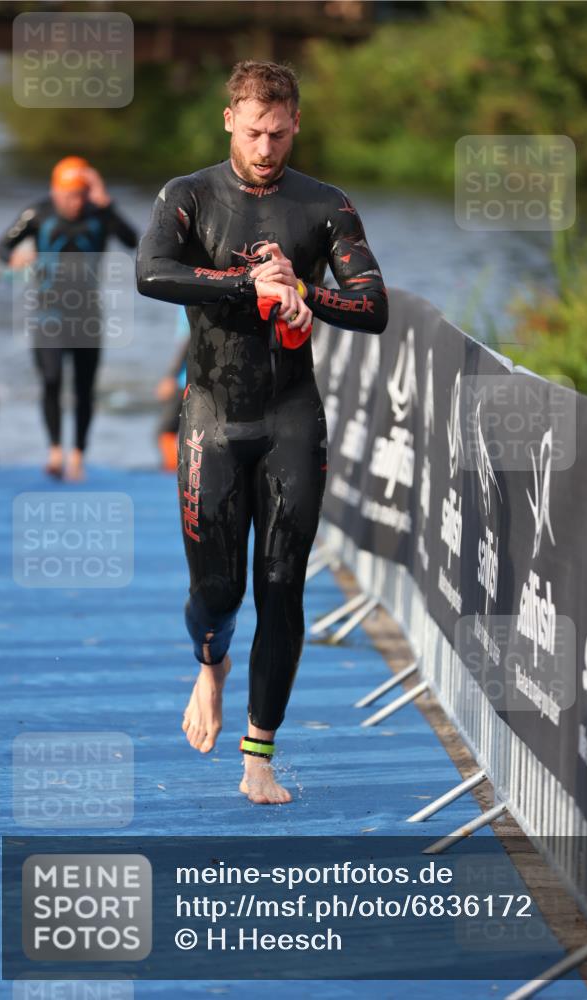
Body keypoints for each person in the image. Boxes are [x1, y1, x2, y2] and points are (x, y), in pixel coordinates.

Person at [136, 60, 387, 804]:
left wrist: (305, 291)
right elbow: (150, 272)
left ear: (296, 124)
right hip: (212, 414)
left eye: (278, 133)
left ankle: (259, 755)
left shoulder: (324, 206)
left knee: (280, 585)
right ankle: (208, 667)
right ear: (228, 122)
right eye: (253, 132)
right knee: (217, 591)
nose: (266, 147)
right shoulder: (189, 195)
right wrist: (250, 283)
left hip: (289, 417)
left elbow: (372, 306)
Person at [0, 157, 138, 480]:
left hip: (88, 315)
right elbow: (2, 248)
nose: (75, 202)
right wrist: (15, 257)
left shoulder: (101, 214)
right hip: (46, 314)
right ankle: (55, 450)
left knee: (84, 387)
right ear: (56, 192)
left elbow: (133, 240)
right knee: (51, 380)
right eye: (69, 195)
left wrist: (106, 201)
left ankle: (78, 455)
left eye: (81, 195)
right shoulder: (38, 213)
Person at [154, 309, 189, 472]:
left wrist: (171, 376)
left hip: (184, 379)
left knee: (165, 430)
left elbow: (189, 340)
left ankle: (174, 471)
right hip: (197, 378)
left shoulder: (189, 299)